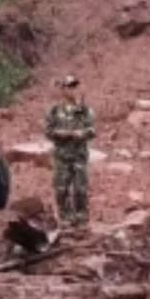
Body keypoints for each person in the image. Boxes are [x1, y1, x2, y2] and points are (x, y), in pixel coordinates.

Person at [44, 75, 96, 230]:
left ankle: (81, 219)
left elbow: (92, 130)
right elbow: (48, 131)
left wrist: (83, 133)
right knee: (61, 188)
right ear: (63, 90)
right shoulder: (54, 111)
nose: (73, 89)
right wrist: (64, 134)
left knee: (81, 188)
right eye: (69, 86)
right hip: (62, 156)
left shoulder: (84, 110)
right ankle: (66, 218)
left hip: (79, 155)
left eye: (75, 86)